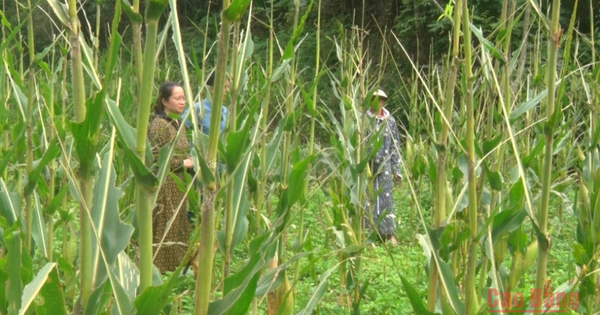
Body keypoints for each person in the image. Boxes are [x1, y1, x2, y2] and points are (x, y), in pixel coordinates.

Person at [148, 82, 194, 273]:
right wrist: (183, 164)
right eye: (178, 98)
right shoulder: (159, 124)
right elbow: (158, 159)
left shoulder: (177, 121)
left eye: (184, 98)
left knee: (179, 225)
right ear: (164, 101)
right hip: (166, 184)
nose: (182, 102)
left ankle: (178, 267)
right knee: (166, 226)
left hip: (180, 184)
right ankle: (160, 269)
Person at [366, 89, 402, 245]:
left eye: (380, 99)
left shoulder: (390, 121)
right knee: (368, 199)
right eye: (374, 98)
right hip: (367, 167)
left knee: (386, 200)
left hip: (385, 166)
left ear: (384, 101)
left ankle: (389, 234)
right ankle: (367, 232)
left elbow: (395, 146)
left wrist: (397, 170)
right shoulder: (365, 120)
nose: (377, 101)